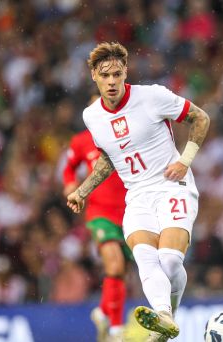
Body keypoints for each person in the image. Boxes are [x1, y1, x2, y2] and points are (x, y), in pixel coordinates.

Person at [66, 41, 210, 342]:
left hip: (173, 186)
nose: (112, 81)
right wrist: (83, 190)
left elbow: (200, 118)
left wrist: (185, 160)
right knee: (145, 258)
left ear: (125, 72)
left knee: (170, 261)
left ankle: (167, 315)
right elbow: (108, 159)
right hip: (137, 197)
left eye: (117, 74)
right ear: (94, 75)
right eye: (105, 75)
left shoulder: (153, 97)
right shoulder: (91, 117)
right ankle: (164, 320)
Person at [63, 128, 130, 342]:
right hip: (100, 212)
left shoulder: (127, 132)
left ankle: (102, 312)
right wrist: (70, 185)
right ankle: (117, 329)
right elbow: (69, 168)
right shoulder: (81, 140)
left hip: (130, 211)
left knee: (120, 273)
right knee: (116, 265)